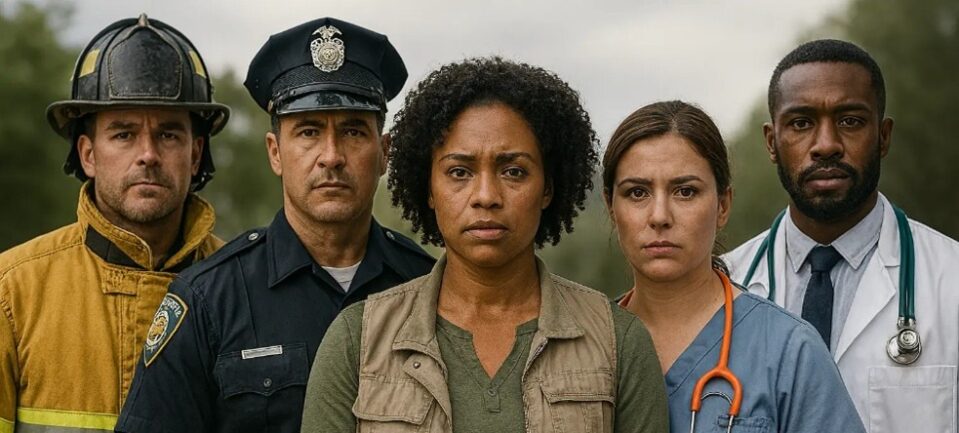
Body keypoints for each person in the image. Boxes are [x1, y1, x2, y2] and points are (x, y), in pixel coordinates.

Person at [300, 57, 669, 433]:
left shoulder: (617, 342)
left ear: (548, 188)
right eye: (459, 172)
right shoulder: (357, 341)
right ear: (429, 189)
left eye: (513, 171)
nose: (486, 196)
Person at [115, 17, 435, 433]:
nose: (331, 156)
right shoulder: (209, 300)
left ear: (384, 152)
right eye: (308, 131)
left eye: (354, 131)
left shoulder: (430, 288)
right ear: (275, 153)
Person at [0, 14, 229, 433]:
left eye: (168, 135)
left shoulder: (242, 287)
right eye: (123, 134)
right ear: (87, 154)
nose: (147, 154)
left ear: (195, 155)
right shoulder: (13, 292)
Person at [723, 39, 959, 433]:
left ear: (883, 136)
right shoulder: (722, 286)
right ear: (771, 143)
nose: (827, 144)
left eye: (850, 120)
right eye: (801, 123)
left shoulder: (952, 281)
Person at [605, 100, 865, 432]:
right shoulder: (586, 347)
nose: (659, 216)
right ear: (612, 208)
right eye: (637, 192)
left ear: (723, 205)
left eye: (685, 192)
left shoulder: (789, 350)